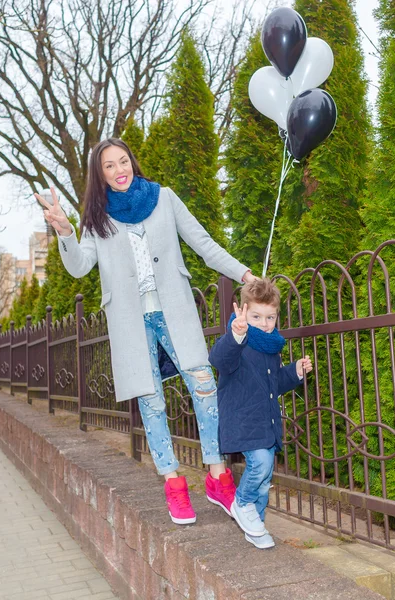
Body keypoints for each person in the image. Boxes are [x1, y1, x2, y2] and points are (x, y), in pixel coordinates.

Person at [36, 138, 256, 525]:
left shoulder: (164, 198)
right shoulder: (96, 217)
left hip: (174, 313)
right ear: (99, 174)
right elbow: (80, 266)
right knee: (152, 402)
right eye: (109, 166)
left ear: (133, 163)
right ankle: (173, 484)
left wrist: (244, 273)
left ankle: (217, 475)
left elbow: (202, 243)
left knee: (204, 384)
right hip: (130, 323)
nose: (119, 170)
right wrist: (66, 232)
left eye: (124, 161)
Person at [209, 278, 312, 548]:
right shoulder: (238, 341)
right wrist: (236, 335)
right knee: (261, 466)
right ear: (242, 311)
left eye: (270, 317)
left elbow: (275, 382)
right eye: (256, 316)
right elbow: (219, 360)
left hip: (265, 422)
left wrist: (295, 372)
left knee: (265, 481)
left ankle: (256, 526)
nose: (264, 323)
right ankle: (241, 503)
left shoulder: (271, 346)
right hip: (243, 420)